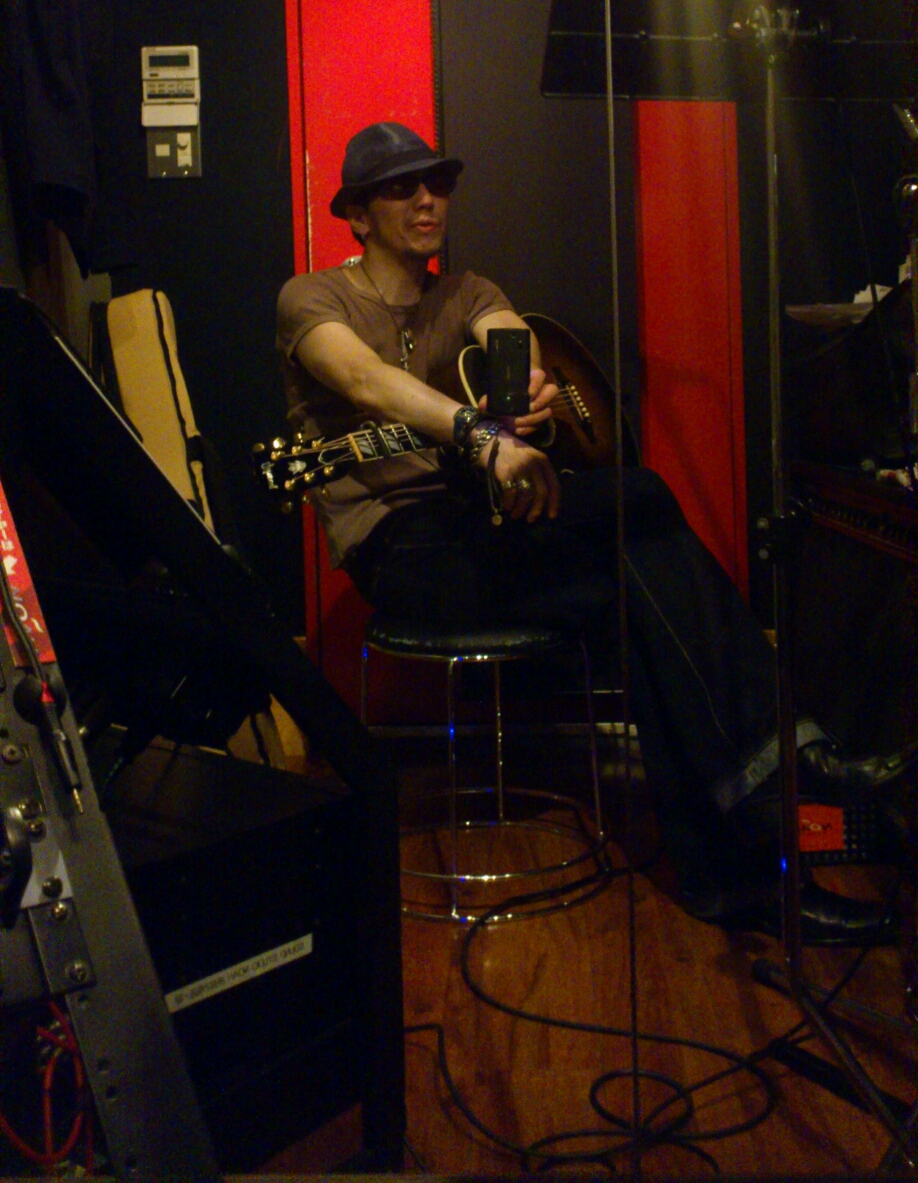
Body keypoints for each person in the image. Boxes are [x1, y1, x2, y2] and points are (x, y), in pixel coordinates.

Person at [277, 122, 914, 943]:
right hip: (398, 547)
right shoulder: (312, 298)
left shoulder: (467, 290)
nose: (428, 200)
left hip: (480, 526)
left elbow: (507, 340)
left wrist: (525, 393)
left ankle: (739, 878)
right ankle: (790, 767)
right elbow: (365, 380)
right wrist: (481, 434)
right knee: (640, 499)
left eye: (438, 183)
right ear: (358, 215)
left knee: (639, 596)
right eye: (402, 188)